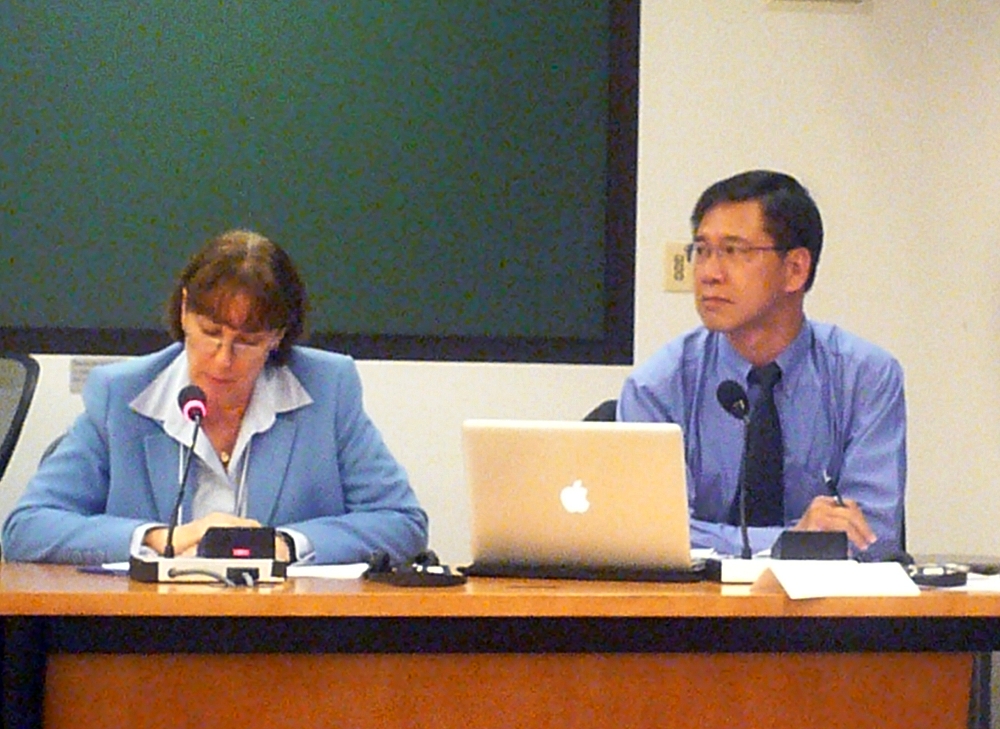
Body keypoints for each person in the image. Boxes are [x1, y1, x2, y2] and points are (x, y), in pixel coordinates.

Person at [2, 230, 429, 565]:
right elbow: (27, 528)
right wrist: (160, 538)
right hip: (148, 632)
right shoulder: (121, 396)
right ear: (184, 310)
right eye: (210, 333)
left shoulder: (327, 388)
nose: (223, 359)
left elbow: (401, 522)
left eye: (247, 341)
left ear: (278, 336)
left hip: (290, 631)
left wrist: (285, 544)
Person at [618, 170, 905, 559]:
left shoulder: (865, 377)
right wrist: (792, 542)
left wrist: (810, 541)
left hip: (825, 597)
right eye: (701, 250)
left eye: (734, 251)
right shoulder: (658, 386)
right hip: (696, 597)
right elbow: (646, 532)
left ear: (795, 269)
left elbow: (872, 534)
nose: (709, 274)